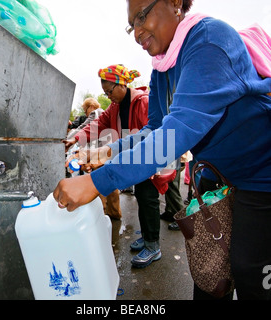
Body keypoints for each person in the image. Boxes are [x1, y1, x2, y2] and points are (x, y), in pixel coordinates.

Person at [54, 0, 271, 300]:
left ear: (174, 3)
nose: (137, 32)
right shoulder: (161, 69)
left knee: (249, 268)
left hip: (260, 174)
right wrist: (107, 152)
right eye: (132, 25)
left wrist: (96, 182)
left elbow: (175, 134)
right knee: (209, 270)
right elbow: (153, 130)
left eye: (142, 16)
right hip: (216, 175)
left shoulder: (209, 40)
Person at [65, 64, 164, 268]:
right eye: (105, 93)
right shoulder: (115, 106)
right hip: (132, 157)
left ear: (122, 84)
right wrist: (76, 139)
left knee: (148, 198)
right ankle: (147, 238)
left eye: (110, 91)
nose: (108, 96)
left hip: (148, 157)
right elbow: (99, 124)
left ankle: (154, 246)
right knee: (141, 197)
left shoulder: (143, 101)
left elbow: (152, 133)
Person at [66, 97, 122, 220]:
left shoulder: (95, 113)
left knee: (98, 184)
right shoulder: (107, 112)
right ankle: (115, 212)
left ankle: (102, 216)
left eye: (85, 110)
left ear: (91, 107)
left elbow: (84, 127)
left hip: (99, 154)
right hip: (109, 151)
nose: (86, 113)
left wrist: (71, 138)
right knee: (111, 184)